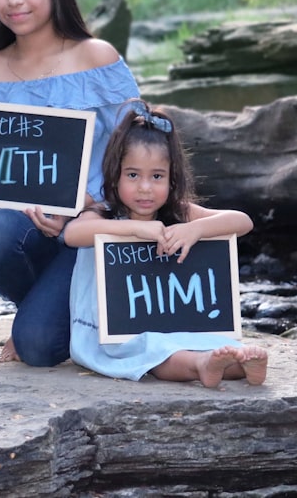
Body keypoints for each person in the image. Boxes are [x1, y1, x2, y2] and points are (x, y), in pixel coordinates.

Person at [0, 0, 140, 366]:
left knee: (37, 347)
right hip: (23, 234)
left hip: (92, 232)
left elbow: (143, 150)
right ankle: (43, 311)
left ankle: (47, 321)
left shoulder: (97, 57)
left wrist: (97, 205)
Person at [64, 100, 268, 387]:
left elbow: (242, 221)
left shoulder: (177, 212)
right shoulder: (105, 212)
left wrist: (195, 229)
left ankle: (238, 365)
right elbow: (73, 234)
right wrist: (135, 229)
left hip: (174, 325)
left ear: (172, 179)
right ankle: (203, 365)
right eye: (133, 175)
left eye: (157, 176)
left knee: (214, 345)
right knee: (154, 352)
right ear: (115, 174)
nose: (145, 187)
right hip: (118, 334)